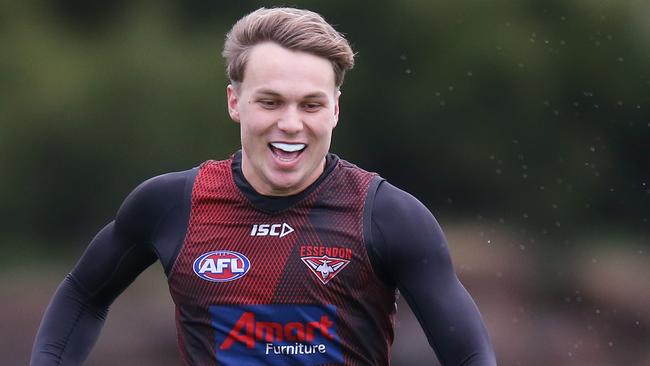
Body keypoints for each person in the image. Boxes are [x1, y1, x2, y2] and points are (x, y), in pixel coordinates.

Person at [31, 7, 497, 366]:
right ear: (235, 101)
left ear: (335, 109)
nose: (290, 124)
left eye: (311, 105)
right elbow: (82, 296)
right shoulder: (170, 206)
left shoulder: (389, 216)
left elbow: (472, 355)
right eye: (270, 101)